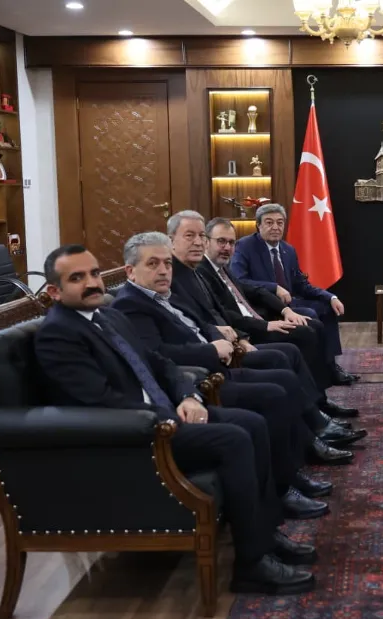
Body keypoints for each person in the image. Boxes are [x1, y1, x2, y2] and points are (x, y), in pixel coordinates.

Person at [34, 244, 317, 594]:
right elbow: (101, 401)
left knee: (253, 424)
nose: (92, 283)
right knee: (235, 439)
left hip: (166, 412)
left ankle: (265, 535)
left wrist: (187, 396)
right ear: (54, 291)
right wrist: (167, 416)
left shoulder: (106, 316)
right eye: (77, 278)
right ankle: (251, 564)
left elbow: (159, 363)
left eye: (94, 273)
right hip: (135, 434)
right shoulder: (58, 334)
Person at [111, 232, 359, 469]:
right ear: (130, 271)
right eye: (153, 263)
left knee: (291, 356)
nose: (164, 270)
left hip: (224, 353)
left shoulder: (169, 290)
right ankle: (307, 447)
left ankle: (314, 427)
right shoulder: (136, 302)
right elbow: (159, 355)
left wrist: (230, 336)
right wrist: (218, 346)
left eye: (167, 263)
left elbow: (206, 320)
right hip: (205, 376)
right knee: (279, 375)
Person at [197, 217, 356, 419]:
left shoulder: (223, 268)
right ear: (206, 241)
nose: (227, 247)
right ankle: (316, 406)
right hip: (247, 330)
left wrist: (285, 311)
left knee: (313, 325)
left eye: (230, 242)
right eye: (221, 241)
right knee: (305, 333)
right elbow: (223, 314)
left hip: (261, 317)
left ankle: (321, 398)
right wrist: (265, 325)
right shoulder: (203, 271)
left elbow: (254, 290)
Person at [230, 203, 356, 385]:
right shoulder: (245, 246)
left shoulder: (288, 250)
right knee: (310, 314)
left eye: (280, 223)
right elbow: (239, 281)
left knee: (327, 308)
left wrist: (331, 297)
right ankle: (315, 371)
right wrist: (273, 287)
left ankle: (330, 365)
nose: (275, 227)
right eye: (269, 222)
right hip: (263, 306)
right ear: (258, 225)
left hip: (290, 303)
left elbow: (301, 285)